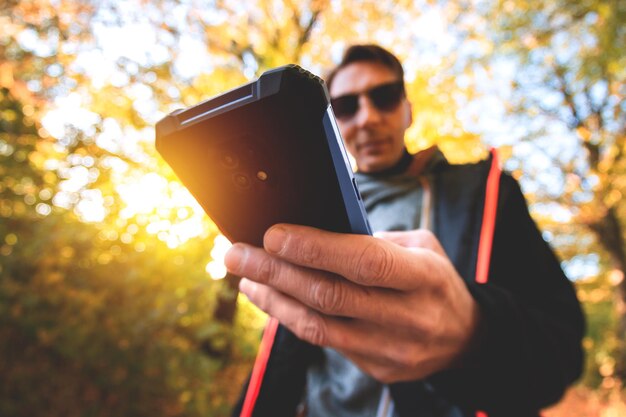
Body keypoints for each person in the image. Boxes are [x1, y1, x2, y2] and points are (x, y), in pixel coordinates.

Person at [226, 44, 584, 417]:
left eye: (384, 97)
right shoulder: (307, 207)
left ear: (408, 109)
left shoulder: (487, 194)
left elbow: (562, 351)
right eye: (346, 107)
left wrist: (474, 333)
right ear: (333, 122)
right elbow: (280, 353)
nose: (367, 118)